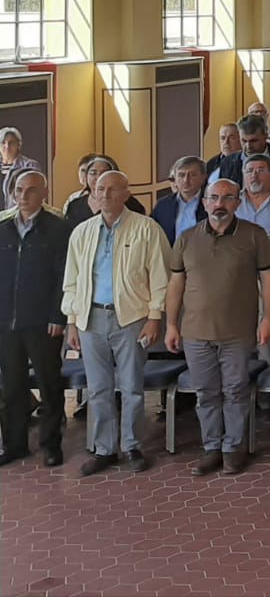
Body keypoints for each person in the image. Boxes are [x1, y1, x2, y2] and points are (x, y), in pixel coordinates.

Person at [163, 179, 270, 476]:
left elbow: (268, 281)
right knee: (205, 393)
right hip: (195, 331)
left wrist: (268, 318)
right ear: (204, 203)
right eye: (213, 198)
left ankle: (233, 449)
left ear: (238, 202)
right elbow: (176, 285)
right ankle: (212, 447)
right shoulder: (186, 238)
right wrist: (171, 325)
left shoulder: (254, 235)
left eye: (227, 198)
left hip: (238, 331)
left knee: (236, 390)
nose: (219, 204)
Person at [62, 170, 169, 475]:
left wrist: (155, 316)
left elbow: (160, 277)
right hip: (90, 318)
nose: (105, 195)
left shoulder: (147, 229)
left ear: (126, 194)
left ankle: (132, 446)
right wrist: (72, 321)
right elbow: (71, 281)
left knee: (132, 387)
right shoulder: (81, 232)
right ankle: (104, 449)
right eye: (99, 189)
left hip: (132, 318)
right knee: (98, 389)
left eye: (112, 189)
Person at [0, 171, 69, 467]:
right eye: (19, 190)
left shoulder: (59, 228)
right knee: (12, 386)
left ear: (44, 193)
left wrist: (58, 315)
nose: (24, 196)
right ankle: (14, 445)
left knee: (49, 384)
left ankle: (50, 445)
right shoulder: (3, 228)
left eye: (31, 190)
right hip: (6, 323)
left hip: (43, 322)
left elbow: (63, 276)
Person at [216, 115, 270, 195]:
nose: (248, 146)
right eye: (244, 141)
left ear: (265, 136)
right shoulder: (228, 163)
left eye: (254, 141)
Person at [64, 155, 144, 229]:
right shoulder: (74, 205)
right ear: (86, 177)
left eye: (104, 173)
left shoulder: (129, 203)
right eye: (93, 173)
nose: (98, 177)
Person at [153, 155, 208, 244]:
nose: (186, 180)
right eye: (181, 175)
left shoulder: (213, 203)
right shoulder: (163, 205)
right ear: (175, 179)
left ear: (203, 178)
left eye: (192, 175)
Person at [0, 127, 42, 210]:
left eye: (11, 142)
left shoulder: (30, 165)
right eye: (3, 142)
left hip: (17, 214)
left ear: (19, 145)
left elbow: (35, 195)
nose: (7, 146)